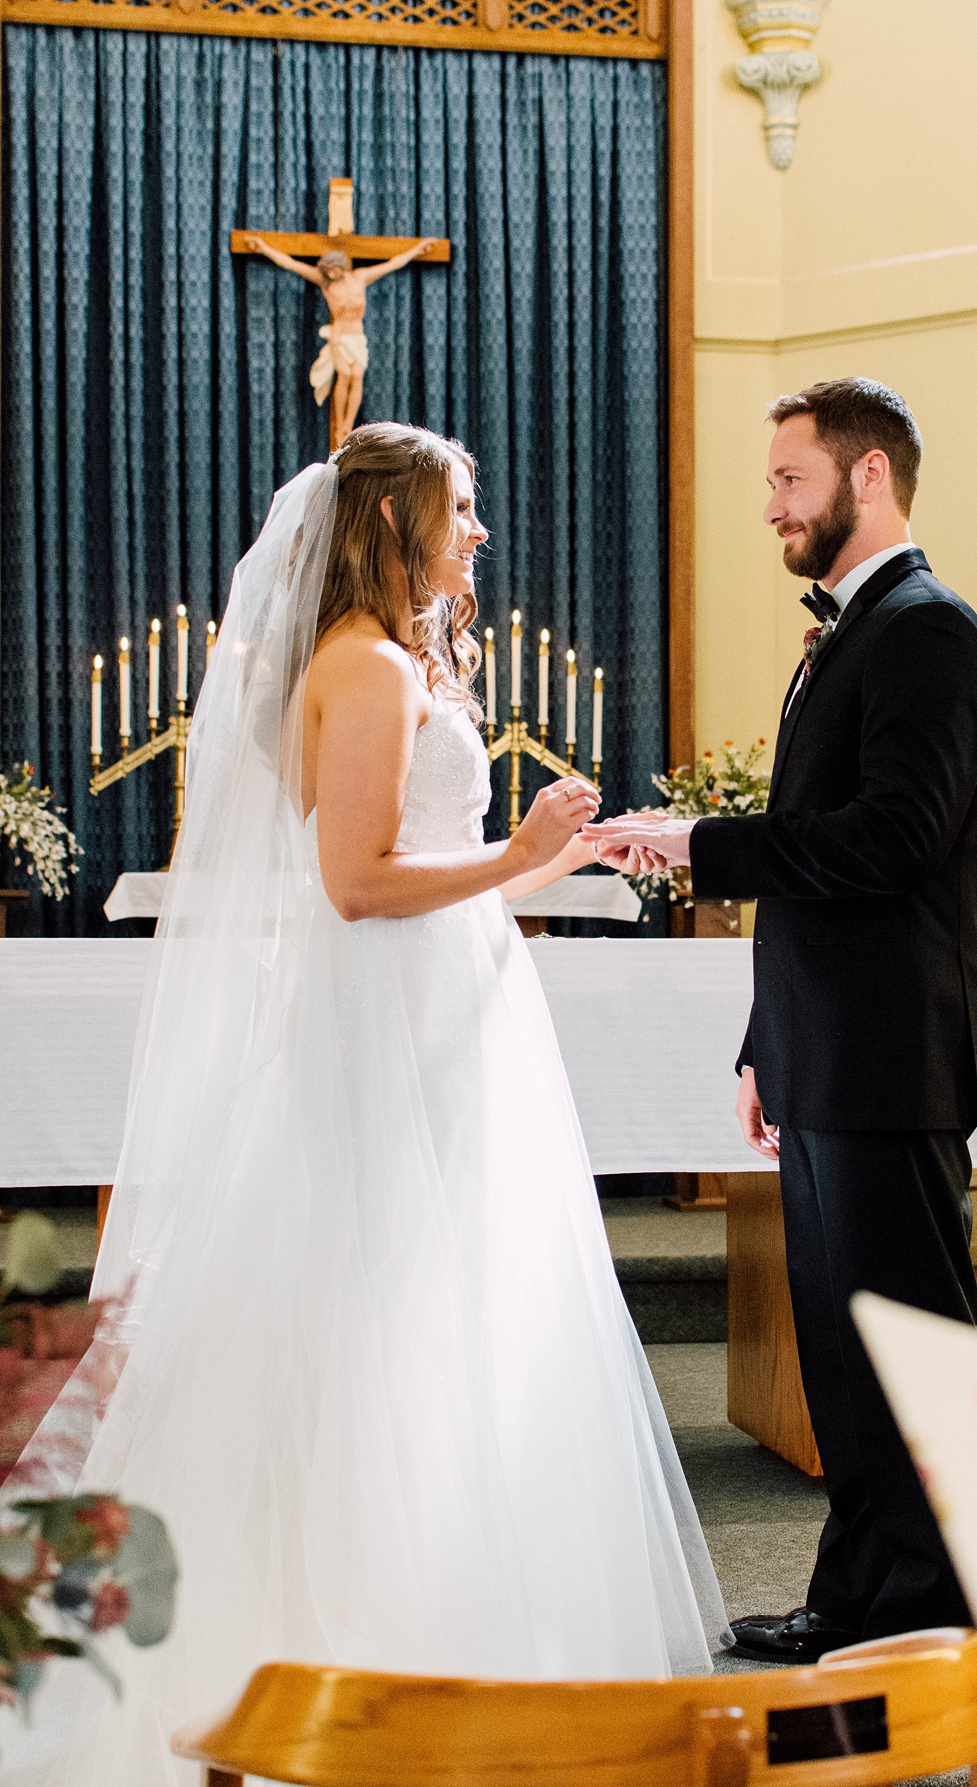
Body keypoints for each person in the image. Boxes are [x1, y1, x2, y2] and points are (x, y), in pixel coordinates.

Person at [15, 423, 729, 1782]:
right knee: (377, 1318)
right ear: (393, 524)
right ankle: (344, 1644)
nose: (478, 534)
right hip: (386, 1032)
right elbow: (354, 888)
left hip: (448, 1016)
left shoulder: (398, 664)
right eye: (459, 510)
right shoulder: (358, 666)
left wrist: (553, 861)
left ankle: (454, 1622)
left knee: (450, 1317)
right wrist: (509, 855)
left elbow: (432, 885)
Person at [589, 378, 977, 1661]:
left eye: (789, 480)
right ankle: (859, 1599)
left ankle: (948, 1614)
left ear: (867, 477)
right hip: (829, 1057)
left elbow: (891, 842)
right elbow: (823, 881)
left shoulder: (930, 633)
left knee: (909, 1356)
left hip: (891, 1060)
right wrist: (766, 1044)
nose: (771, 505)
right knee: (841, 1357)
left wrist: (694, 842)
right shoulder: (849, 635)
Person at [244, 237, 433, 447]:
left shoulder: (360, 277)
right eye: (328, 271)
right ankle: (339, 427)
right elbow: (290, 263)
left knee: (357, 374)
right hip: (339, 336)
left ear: (342, 266)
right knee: (345, 374)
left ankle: (347, 424)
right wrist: (263, 247)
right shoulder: (325, 283)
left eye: (334, 269)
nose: (331, 274)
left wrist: (417, 250)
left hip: (357, 336)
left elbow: (392, 264)